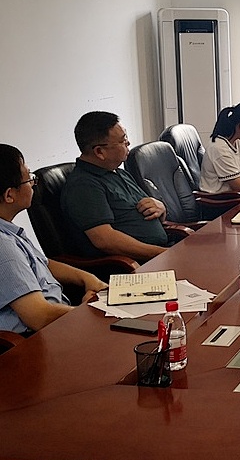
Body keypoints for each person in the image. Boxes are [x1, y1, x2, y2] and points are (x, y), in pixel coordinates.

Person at [0, 144, 107, 335]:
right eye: (29, 178)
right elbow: (39, 317)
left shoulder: (8, 230)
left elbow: (42, 263)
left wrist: (87, 278)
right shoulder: (3, 246)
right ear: (9, 195)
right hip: (38, 339)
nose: (33, 184)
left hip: (59, 320)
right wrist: (88, 311)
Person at [61, 111, 169, 262]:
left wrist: (161, 207)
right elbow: (105, 240)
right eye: (123, 140)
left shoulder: (118, 172)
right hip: (136, 264)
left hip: (159, 252)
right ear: (100, 152)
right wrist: (165, 254)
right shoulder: (84, 185)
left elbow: (147, 212)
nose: (128, 144)